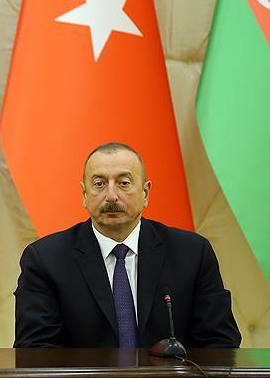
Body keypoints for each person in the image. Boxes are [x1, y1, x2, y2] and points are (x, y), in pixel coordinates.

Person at [14, 142, 240, 348]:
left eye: (124, 183)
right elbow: (35, 350)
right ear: (84, 195)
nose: (111, 196)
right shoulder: (46, 259)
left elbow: (220, 343)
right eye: (99, 184)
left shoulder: (192, 253)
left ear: (145, 193)